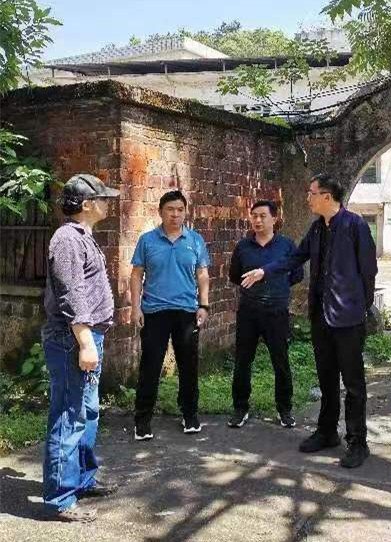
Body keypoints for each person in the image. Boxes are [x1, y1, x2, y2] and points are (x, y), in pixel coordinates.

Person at [241, 173, 377, 468]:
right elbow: (295, 258)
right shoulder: (316, 228)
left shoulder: (355, 226)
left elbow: (369, 271)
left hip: (349, 319)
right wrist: (265, 271)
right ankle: (327, 432)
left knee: (353, 384)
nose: (308, 198)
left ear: (327, 196)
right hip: (321, 317)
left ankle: (358, 442)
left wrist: (360, 307)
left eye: (312, 193)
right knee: (326, 379)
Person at [42, 174, 120, 523]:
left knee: (87, 412)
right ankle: (60, 497)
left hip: (86, 337)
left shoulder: (82, 236)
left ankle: (82, 479)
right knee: (69, 415)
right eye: (103, 198)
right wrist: (86, 342)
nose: (107, 203)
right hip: (71, 339)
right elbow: (71, 293)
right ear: (87, 204)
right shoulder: (67, 240)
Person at [130, 190, 210, 441]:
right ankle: (142, 420)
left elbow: (202, 275)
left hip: (186, 312)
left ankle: (189, 414)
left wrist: (204, 305)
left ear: (185, 212)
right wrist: (135, 307)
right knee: (150, 366)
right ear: (161, 212)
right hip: (155, 311)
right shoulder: (147, 240)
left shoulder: (195, 240)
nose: (175, 214)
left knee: (189, 366)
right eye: (170, 209)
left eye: (180, 210)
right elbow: (136, 275)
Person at [228, 200, 304, 428]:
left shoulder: (286, 246)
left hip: (276, 312)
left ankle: (284, 409)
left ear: (274, 218)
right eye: (254, 216)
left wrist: (277, 287)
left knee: (280, 361)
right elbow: (235, 276)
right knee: (243, 361)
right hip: (248, 313)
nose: (258, 220)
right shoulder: (243, 246)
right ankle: (240, 409)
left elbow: (297, 274)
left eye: (262, 215)